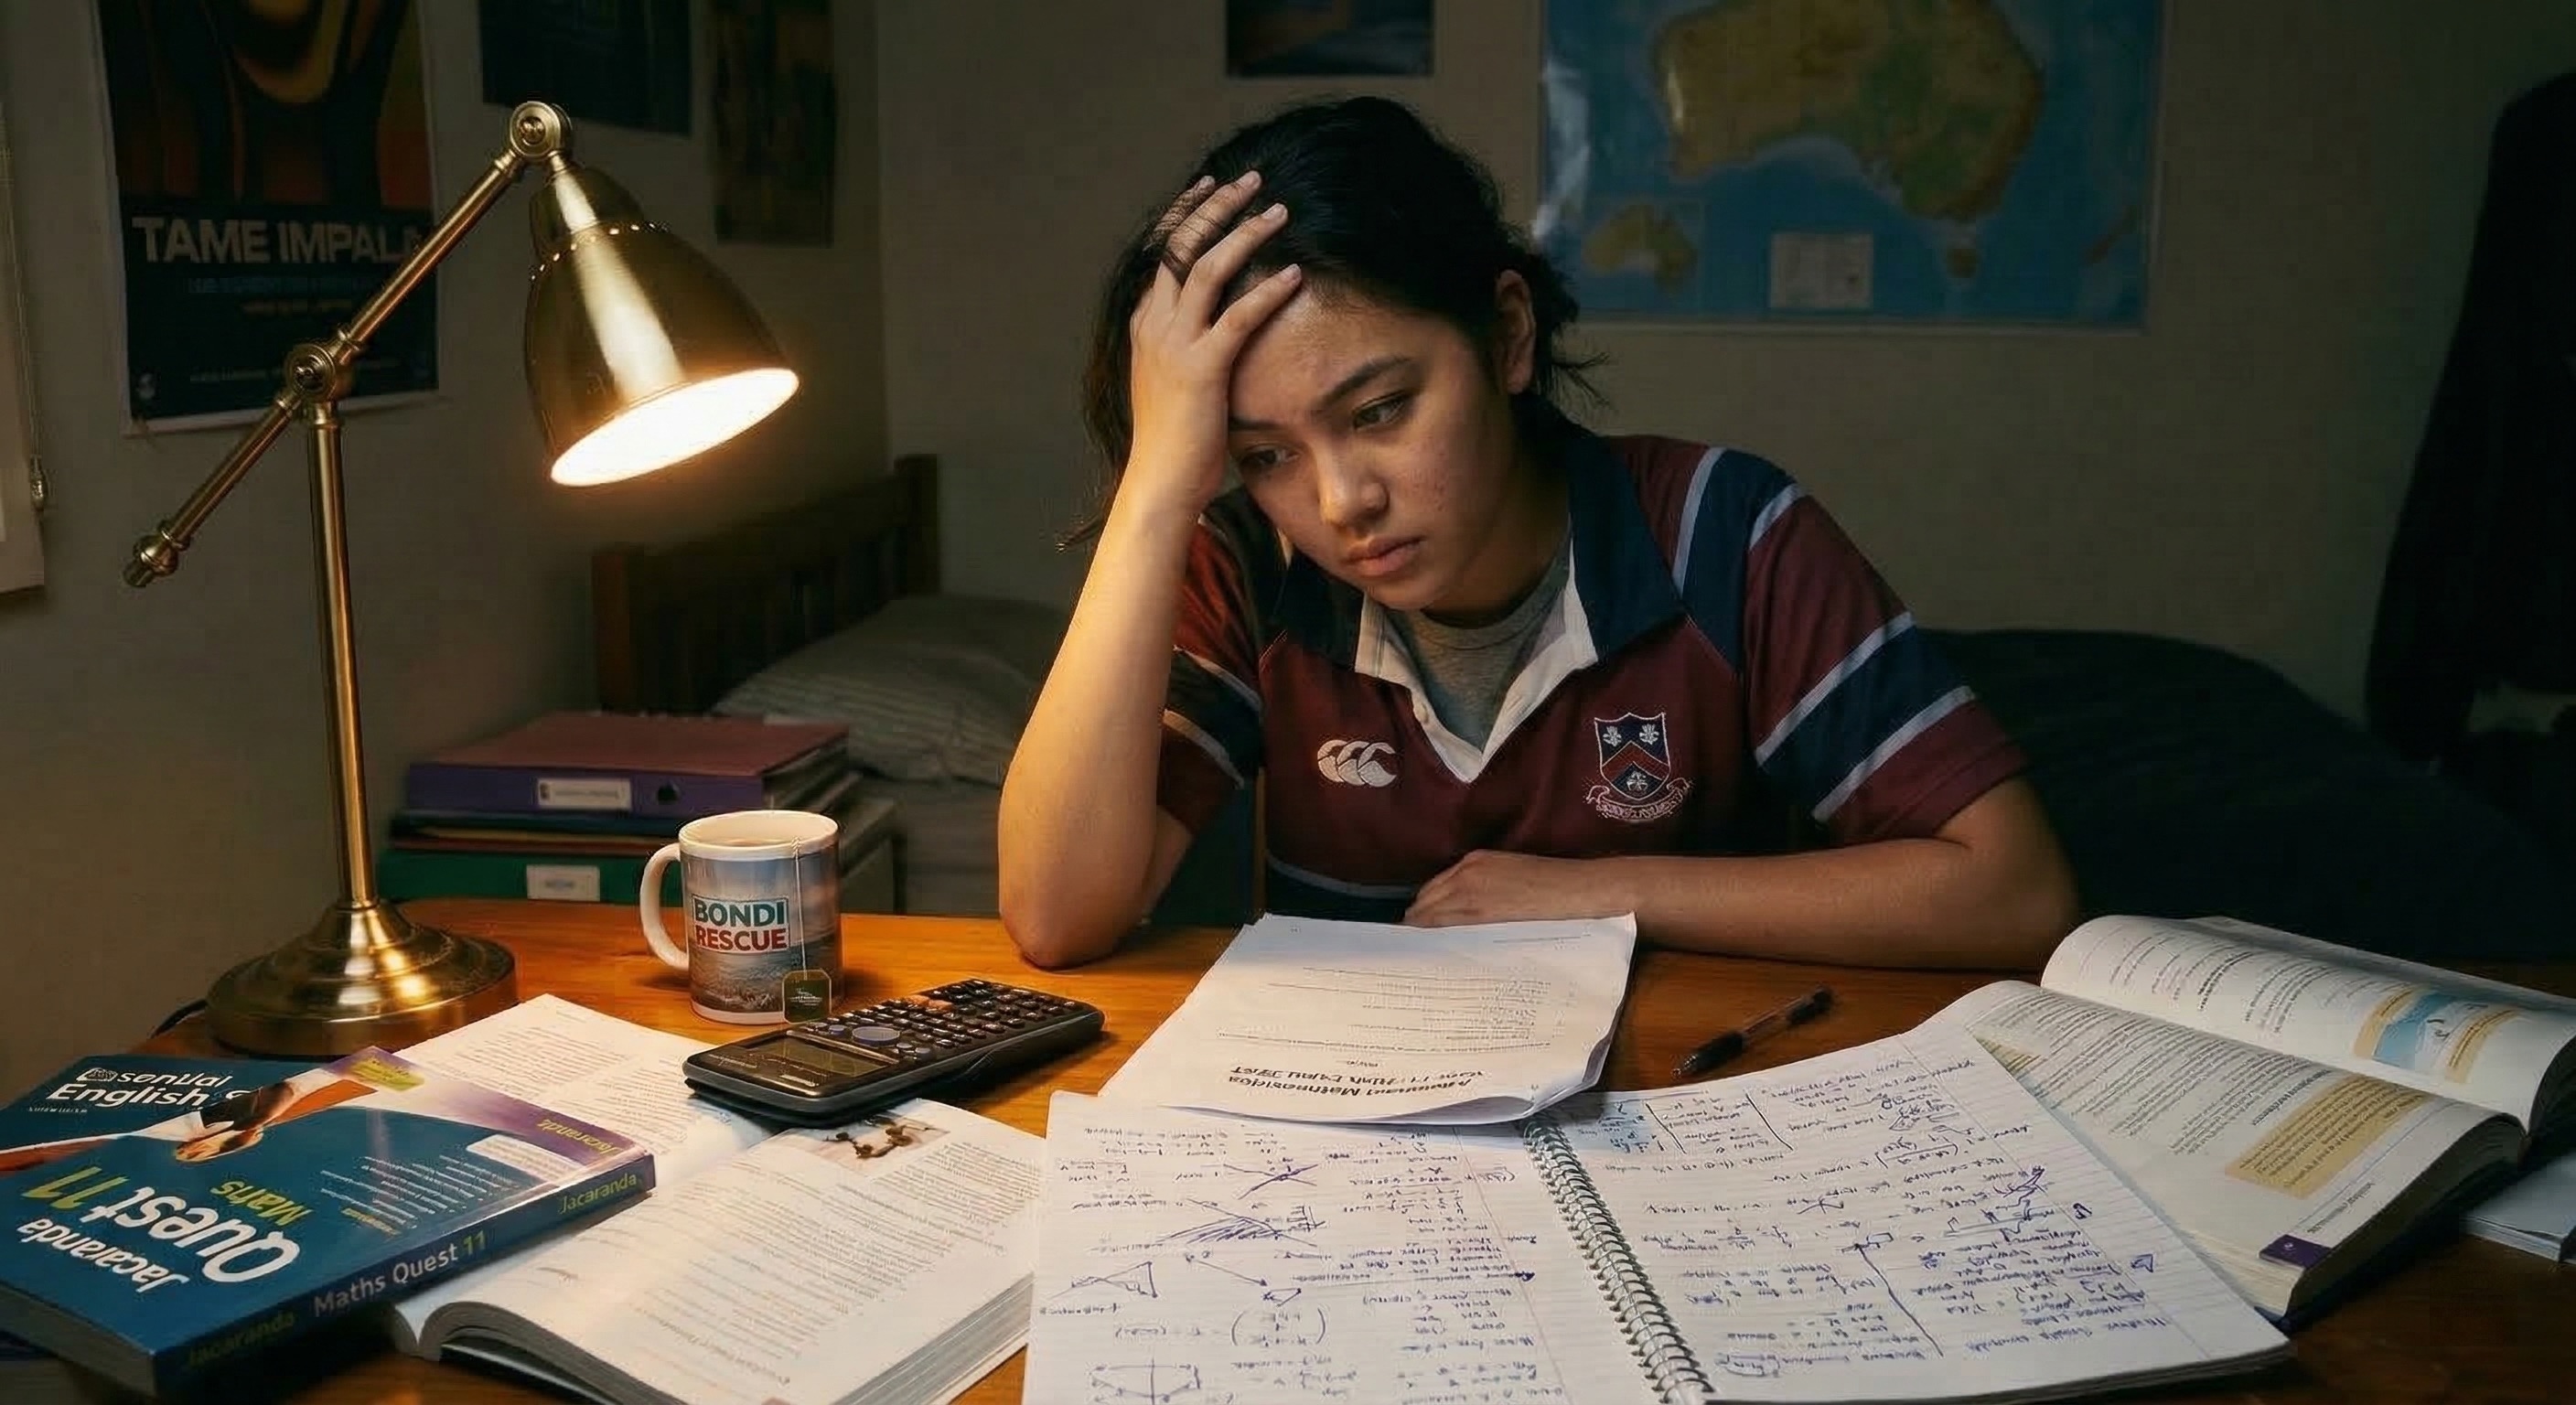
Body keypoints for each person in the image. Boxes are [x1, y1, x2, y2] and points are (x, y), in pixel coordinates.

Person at [998, 97, 2077, 971]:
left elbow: (2014, 891)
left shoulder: (1723, 531)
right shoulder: (1248, 560)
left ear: (1506, 337)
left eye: (1379, 412)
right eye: (1264, 453)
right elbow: (1055, 919)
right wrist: (1153, 490)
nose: (1340, 502)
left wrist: (1594, 896)